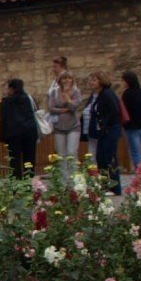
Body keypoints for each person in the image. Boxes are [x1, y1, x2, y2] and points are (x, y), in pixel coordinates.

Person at [45, 58, 82, 187]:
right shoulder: (54, 92)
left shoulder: (76, 92)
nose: (67, 81)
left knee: (72, 152)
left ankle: (74, 180)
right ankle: (63, 181)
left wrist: (67, 96)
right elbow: (51, 108)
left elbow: (74, 107)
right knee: (61, 154)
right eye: (64, 79)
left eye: (69, 78)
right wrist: (64, 109)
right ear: (60, 81)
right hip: (59, 126)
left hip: (73, 126)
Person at [87, 73, 124, 193]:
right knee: (100, 157)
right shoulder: (98, 95)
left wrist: (105, 123)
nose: (92, 83)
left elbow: (114, 110)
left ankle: (115, 187)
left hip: (110, 129)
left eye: (94, 80)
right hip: (103, 131)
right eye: (91, 80)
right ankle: (104, 185)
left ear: (101, 81)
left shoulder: (107, 94)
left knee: (110, 157)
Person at [0, 78, 39, 180]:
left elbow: (4, 120)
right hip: (29, 133)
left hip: (13, 135)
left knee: (14, 161)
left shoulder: (6, 102)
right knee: (29, 161)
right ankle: (29, 183)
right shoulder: (29, 99)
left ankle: (16, 185)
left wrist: (3, 137)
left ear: (12, 89)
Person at [119, 70, 141, 173]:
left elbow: (124, 110)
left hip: (132, 127)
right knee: (138, 150)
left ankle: (140, 171)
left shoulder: (127, 94)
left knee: (135, 151)